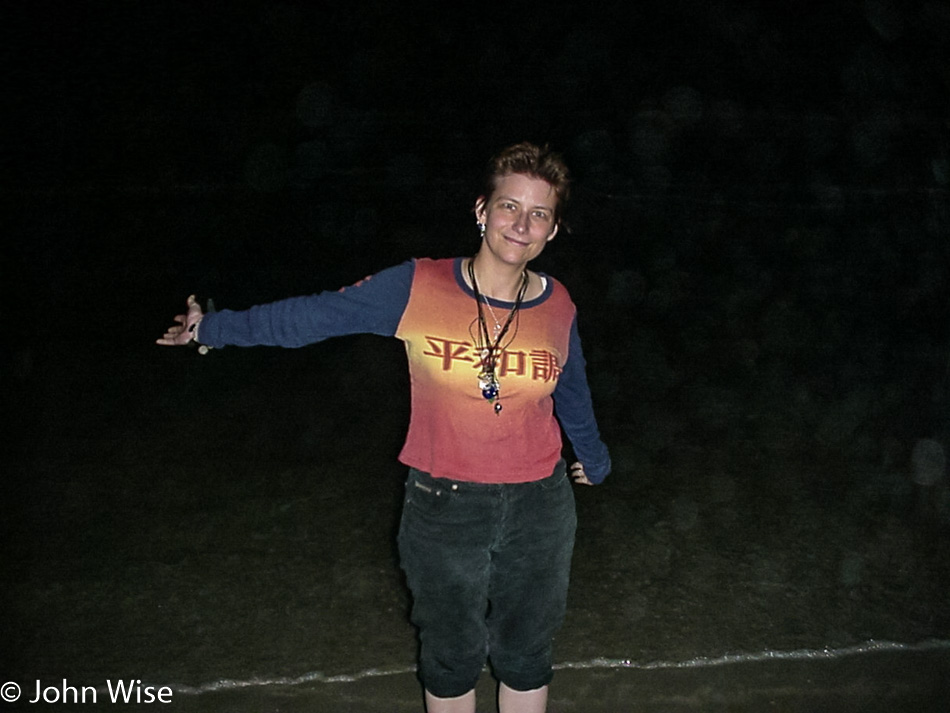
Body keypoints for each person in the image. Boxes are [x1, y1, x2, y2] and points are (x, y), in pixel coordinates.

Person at [158, 142, 611, 713]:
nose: (520, 224)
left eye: (538, 214)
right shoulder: (418, 286)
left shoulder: (558, 303)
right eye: (508, 206)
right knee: (451, 657)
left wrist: (593, 458)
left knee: (526, 654)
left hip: (541, 506)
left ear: (552, 230)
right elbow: (312, 317)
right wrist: (213, 329)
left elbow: (571, 385)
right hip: (444, 504)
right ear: (481, 210)